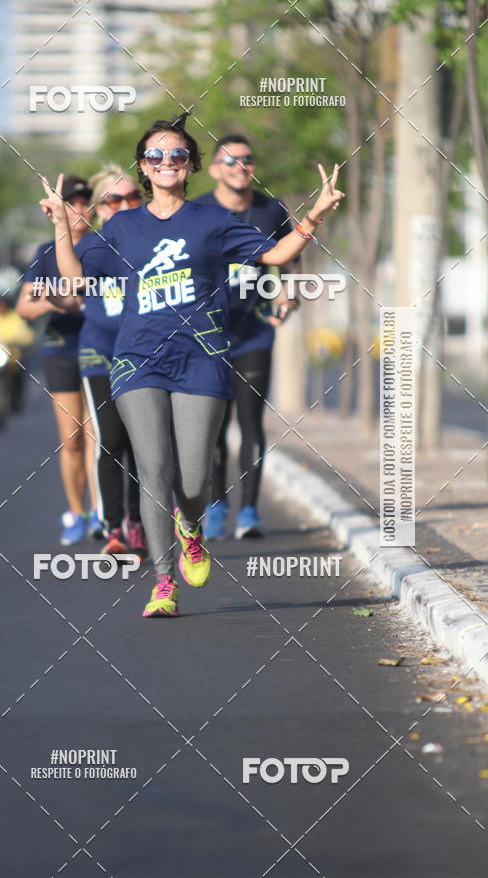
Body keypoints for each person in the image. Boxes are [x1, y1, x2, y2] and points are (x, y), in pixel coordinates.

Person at [40, 113, 344, 618]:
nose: (165, 162)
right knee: (154, 469)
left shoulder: (214, 221)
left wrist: (315, 215)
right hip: (137, 361)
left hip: (202, 357)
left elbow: (277, 253)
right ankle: (162, 582)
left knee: (196, 477)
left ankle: (192, 527)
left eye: (176, 154)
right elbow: (73, 279)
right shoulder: (122, 225)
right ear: (143, 166)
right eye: (155, 155)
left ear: (190, 165)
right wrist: (59, 227)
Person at [194, 134, 300, 540]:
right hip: (207, 334)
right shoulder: (199, 209)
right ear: (217, 168)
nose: (240, 167)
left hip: (254, 332)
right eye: (231, 160)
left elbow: (290, 258)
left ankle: (250, 512)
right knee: (214, 426)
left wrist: (288, 297)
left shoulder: (271, 210)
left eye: (247, 160)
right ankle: (217, 505)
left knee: (252, 423)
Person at [17, 175, 102, 545]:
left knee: (99, 436)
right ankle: (77, 513)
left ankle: (103, 512)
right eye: (71, 203)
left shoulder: (104, 247)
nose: (79, 210)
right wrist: (53, 298)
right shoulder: (45, 252)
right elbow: (24, 305)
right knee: (72, 439)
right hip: (61, 349)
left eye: (85, 203)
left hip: (100, 348)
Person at [78, 165, 147, 559]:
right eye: (114, 199)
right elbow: (65, 280)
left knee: (143, 441)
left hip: (142, 354)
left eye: (132, 197)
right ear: (99, 208)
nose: (124, 205)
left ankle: (138, 521)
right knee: (112, 439)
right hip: (99, 354)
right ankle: (113, 526)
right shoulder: (90, 246)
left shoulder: (152, 239)